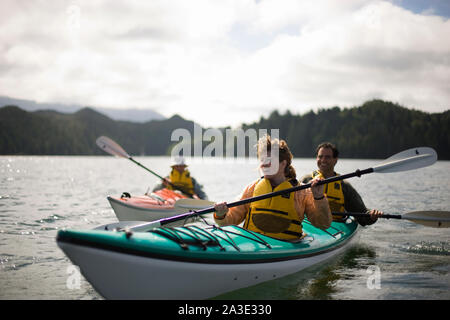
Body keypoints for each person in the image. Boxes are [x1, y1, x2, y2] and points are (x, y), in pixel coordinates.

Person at [213, 135, 331, 241]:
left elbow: (323, 224)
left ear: (283, 163)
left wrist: (319, 197)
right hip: (254, 243)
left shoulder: (302, 193)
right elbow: (230, 219)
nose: (264, 164)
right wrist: (221, 214)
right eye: (262, 160)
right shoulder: (252, 188)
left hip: (287, 246)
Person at [300, 142, 383, 226]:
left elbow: (362, 214)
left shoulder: (344, 186)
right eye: (320, 157)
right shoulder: (306, 180)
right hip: (309, 223)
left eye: (327, 157)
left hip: (336, 225)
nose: (323, 160)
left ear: (335, 160)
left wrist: (371, 216)